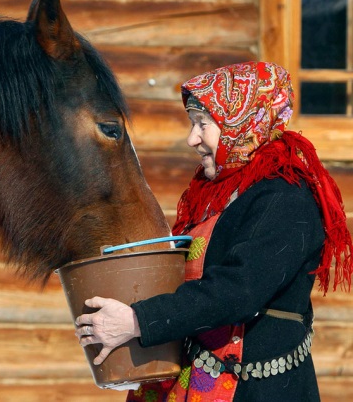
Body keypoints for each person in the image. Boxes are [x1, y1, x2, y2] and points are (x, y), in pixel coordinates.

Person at [75, 61, 353, 402]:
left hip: (257, 391)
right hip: (190, 381)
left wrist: (138, 321)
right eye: (193, 124)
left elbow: (239, 290)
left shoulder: (285, 196)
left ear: (242, 123)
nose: (192, 139)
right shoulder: (217, 193)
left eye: (202, 124)